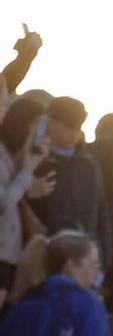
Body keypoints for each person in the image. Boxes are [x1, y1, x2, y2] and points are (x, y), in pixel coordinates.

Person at [24, 96, 113, 258]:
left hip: (83, 253)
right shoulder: (35, 160)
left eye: (78, 128)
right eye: (68, 126)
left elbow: (101, 212)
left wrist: (105, 257)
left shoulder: (88, 165)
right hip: (45, 251)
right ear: (51, 123)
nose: (73, 134)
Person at [0, 95, 54, 296]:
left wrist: (29, 168)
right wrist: (27, 172)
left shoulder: (11, 158)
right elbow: (4, 202)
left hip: (9, 256)